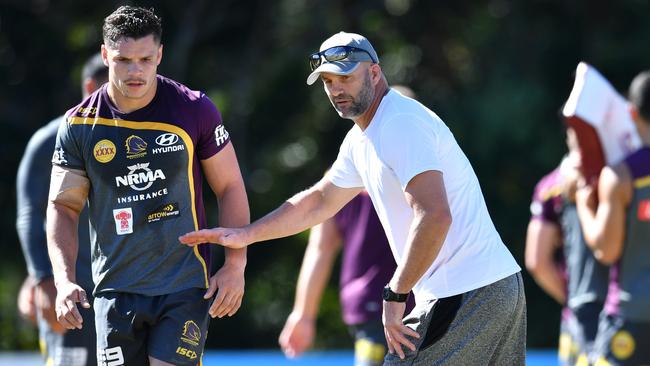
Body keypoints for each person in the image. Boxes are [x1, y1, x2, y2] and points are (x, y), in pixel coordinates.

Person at [180, 31, 526, 365]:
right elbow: (319, 201)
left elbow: (435, 214)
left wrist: (396, 293)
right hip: (494, 287)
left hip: (465, 291)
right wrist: (247, 234)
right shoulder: (362, 138)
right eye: (328, 82)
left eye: (345, 77)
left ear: (375, 73)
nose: (336, 90)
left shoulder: (399, 122)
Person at [46, 6, 249, 366]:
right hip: (114, 287)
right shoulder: (78, 125)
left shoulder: (194, 109)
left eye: (144, 59)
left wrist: (235, 264)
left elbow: (230, 186)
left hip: (184, 283)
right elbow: (63, 207)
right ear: (106, 54)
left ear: (160, 55)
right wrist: (63, 281)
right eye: (123, 59)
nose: (135, 70)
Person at [16, 52, 107, 366]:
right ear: (90, 86)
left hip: (119, 289)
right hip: (70, 291)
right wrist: (42, 279)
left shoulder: (130, 141)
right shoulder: (48, 141)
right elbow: (29, 215)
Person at [279, 190, 413, 366]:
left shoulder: (337, 174)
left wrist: (304, 314)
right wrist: (302, 314)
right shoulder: (414, 166)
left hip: (368, 300)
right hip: (403, 296)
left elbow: (322, 247)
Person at [576, 71, 650, 366]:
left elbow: (606, 250)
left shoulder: (620, 176)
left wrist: (584, 202)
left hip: (630, 315)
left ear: (631, 112)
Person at [527, 131, 610, 365]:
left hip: (579, 314)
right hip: (627, 309)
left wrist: (571, 298)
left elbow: (537, 261)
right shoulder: (625, 173)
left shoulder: (551, 186)